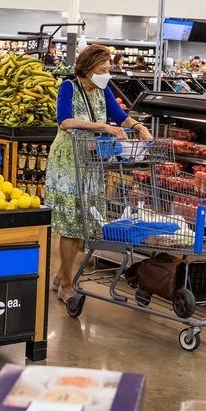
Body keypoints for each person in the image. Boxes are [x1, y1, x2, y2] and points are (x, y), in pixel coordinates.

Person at [44, 44, 153, 304]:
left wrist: (139, 127)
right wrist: (103, 127)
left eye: (108, 69)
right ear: (89, 67)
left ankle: (62, 275)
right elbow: (65, 121)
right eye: (103, 69)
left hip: (91, 163)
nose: (107, 74)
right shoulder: (69, 87)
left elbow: (121, 116)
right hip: (69, 162)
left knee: (85, 222)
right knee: (71, 226)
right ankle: (66, 285)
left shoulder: (103, 90)